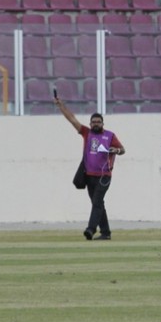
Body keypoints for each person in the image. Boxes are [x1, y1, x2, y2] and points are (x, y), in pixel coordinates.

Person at [55, 96, 126, 241]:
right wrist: (61, 106)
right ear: (90, 123)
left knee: (97, 201)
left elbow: (122, 149)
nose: (96, 124)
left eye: (98, 122)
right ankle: (106, 233)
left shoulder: (109, 135)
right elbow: (72, 119)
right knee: (97, 203)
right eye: (93, 122)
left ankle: (91, 229)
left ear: (102, 123)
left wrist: (115, 150)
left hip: (104, 175)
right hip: (89, 175)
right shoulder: (87, 133)